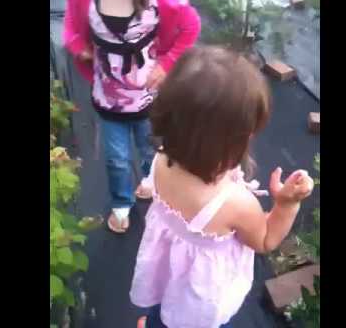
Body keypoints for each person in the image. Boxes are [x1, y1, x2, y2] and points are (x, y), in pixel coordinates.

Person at [130, 46, 314, 328]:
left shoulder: (161, 159)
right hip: (197, 303)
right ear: (235, 140)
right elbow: (265, 240)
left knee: (161, 307)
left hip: (166, 273)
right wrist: (287, 204)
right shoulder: (235, 203)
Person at [63, 0, 201, 233]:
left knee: (152, 150)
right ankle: (121, 203)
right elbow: (70, 28)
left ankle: (155, 187)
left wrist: (167, 64)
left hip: (149, 100)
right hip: (109, 100)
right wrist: (79, 47)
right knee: (117, 158)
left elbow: (191, 26)